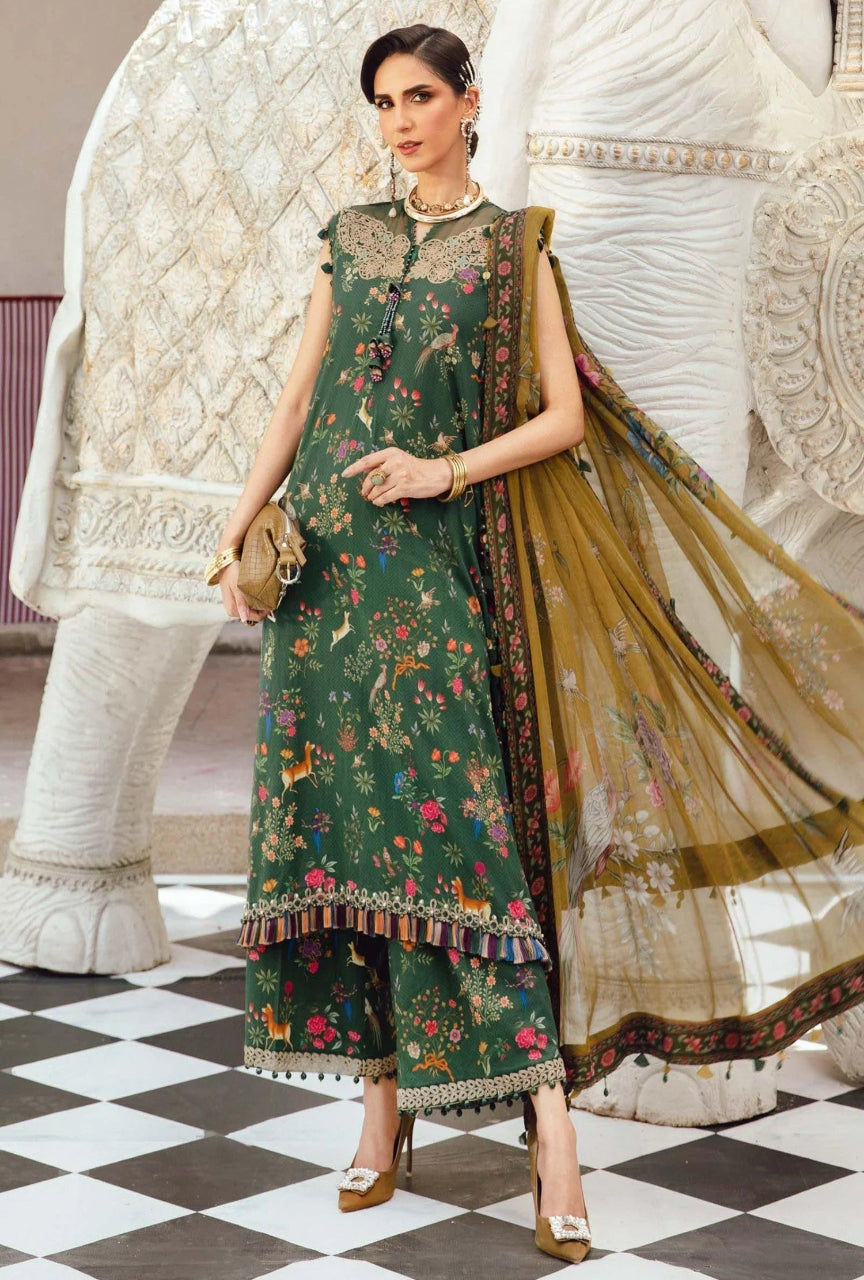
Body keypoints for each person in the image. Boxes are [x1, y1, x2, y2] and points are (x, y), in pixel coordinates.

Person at [207, 22, 864, 1269]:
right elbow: (298, 398)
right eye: (385, 102)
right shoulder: (349, 238)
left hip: (438, 576)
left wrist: (438, 468)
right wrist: (238, 529)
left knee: (467, 847)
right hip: (330, 585)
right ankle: (380, 1116)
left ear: (468, 103)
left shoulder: (517, 248)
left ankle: (551, 1138)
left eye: (420, 97)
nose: (400, 121)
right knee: (348, 837)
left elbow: (563, 418)